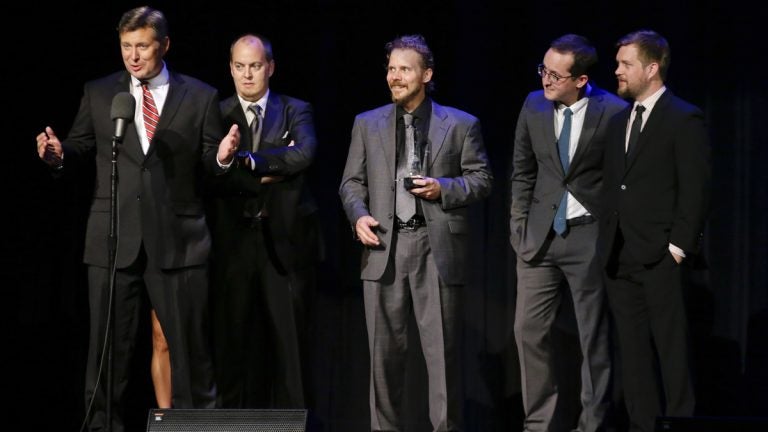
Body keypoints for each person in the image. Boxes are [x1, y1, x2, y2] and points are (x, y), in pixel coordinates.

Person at [34, 6, 242, 431]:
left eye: (142, 46)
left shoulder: (199, 95)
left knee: (191, 353)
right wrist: (57, 156)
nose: (133, 56)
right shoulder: (100, 92)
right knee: (107, 352)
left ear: (164, 45)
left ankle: (195, 428)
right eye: (126, 46)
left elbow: (209, 161)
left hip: (179, 240)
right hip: (113, 239)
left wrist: (221, 159)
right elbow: (77, 145)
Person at [339, 34, 493, 432]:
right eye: (390, 68)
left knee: (442, 359)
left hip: (434, 247)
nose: (394, 76)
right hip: (383, 247)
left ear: (426, 74)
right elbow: (351, 184)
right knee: (382, 360)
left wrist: (445, 188)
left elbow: (481, 179)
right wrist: (358, 216)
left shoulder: (460, 124)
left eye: (404, 69)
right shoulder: (366, 123)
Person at [510, 34, 627, 432]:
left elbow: (622, 181)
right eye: (543, 70)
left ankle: (591, 424)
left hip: (587, 235)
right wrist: (518, 228)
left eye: (555, 75)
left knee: (593, 336)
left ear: (580, 80)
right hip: (539, 238)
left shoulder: (613, 111)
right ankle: (538, 424)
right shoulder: (532, 105)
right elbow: (522, 172)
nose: (546, 80)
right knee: (528, 332)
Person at [600, 30, 710, 432]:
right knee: (633, 357)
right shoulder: (618, 123)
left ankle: (680, 424)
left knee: (672, 354)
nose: (617, 71)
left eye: (626, 64)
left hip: (662, 256)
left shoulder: (684, 117)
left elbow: (695, 189)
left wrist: (678, 248)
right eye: (617, 63)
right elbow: (616, 186)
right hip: (621, 256)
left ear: (652, 67)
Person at [207, 33, 321, 409]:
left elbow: (304, 155)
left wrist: (251, 161)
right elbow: (212, 173)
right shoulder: (217, 113)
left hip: (285, 245)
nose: (247, 75)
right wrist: (274, 164)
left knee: (290, 349)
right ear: (230, 68)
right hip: (234, 243)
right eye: (239, 67)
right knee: (233, 347)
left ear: (270, 67)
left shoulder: (295, 109)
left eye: (255, 66)